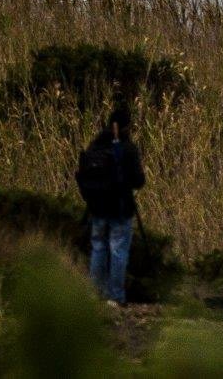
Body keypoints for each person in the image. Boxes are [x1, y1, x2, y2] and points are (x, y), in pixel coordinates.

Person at [75, 104, 146, 303]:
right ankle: (115, 297)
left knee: (98, 247)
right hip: (120, 208)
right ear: (126, 126)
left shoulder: (95, 145)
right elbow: (139, 181)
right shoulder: (128, 148)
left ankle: (95, 293)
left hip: (97, 207)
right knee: (118, 250)